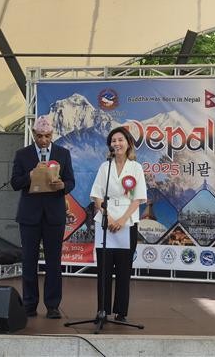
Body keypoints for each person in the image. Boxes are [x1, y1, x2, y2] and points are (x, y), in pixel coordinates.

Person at [11, 115, 75, 319]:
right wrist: (29, 176)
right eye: (40, 136)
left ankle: (53, 305)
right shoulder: (22, 154)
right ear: (33, 134)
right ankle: (29, 304)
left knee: (54, 262)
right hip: (29, 216)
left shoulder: (63, 153)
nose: (44, 140)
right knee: (29, 260)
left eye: (47, 136)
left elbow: (71, 181)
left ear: (52, 134)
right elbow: (14, 183)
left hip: (54, 215)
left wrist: (63, 185)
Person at [90, 126, 147, 322]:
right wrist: (108, 217)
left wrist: (122, 220)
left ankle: (121, 311)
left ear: (128, 143)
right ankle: (102, 310)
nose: (117, 143)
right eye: (113, 141)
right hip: (105, 221)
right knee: (104, 269)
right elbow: (97, 196)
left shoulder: (136, 168)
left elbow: (138, 198)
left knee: (124, 269)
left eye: (120, 140)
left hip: (127, 222)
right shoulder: (104, 167)